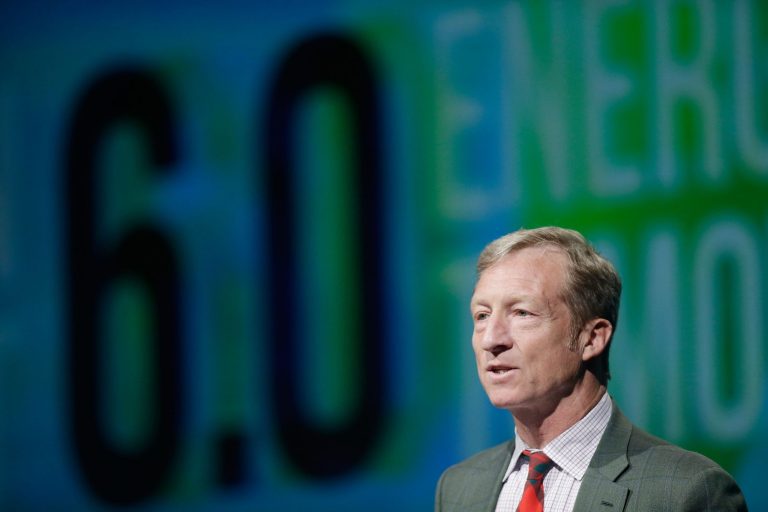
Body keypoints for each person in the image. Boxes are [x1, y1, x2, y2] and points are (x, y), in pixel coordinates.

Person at [434, 226, 747, 511]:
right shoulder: (458, 489)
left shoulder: (687, 492)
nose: (491, 339)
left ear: (592, 338)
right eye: (482, 316)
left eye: (522, 313)